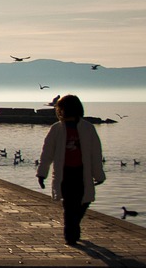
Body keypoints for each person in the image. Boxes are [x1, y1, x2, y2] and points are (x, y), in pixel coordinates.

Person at [36, 94, 106, 246]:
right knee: (69, 205)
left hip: (82, 173)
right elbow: (47, 153)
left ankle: (74, 226)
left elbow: (96, 154)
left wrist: (98, 174)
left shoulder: (88, 128)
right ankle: (71, 235)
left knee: (83, 203)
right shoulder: (56, 129)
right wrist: (42, 173)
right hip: (65, 173)